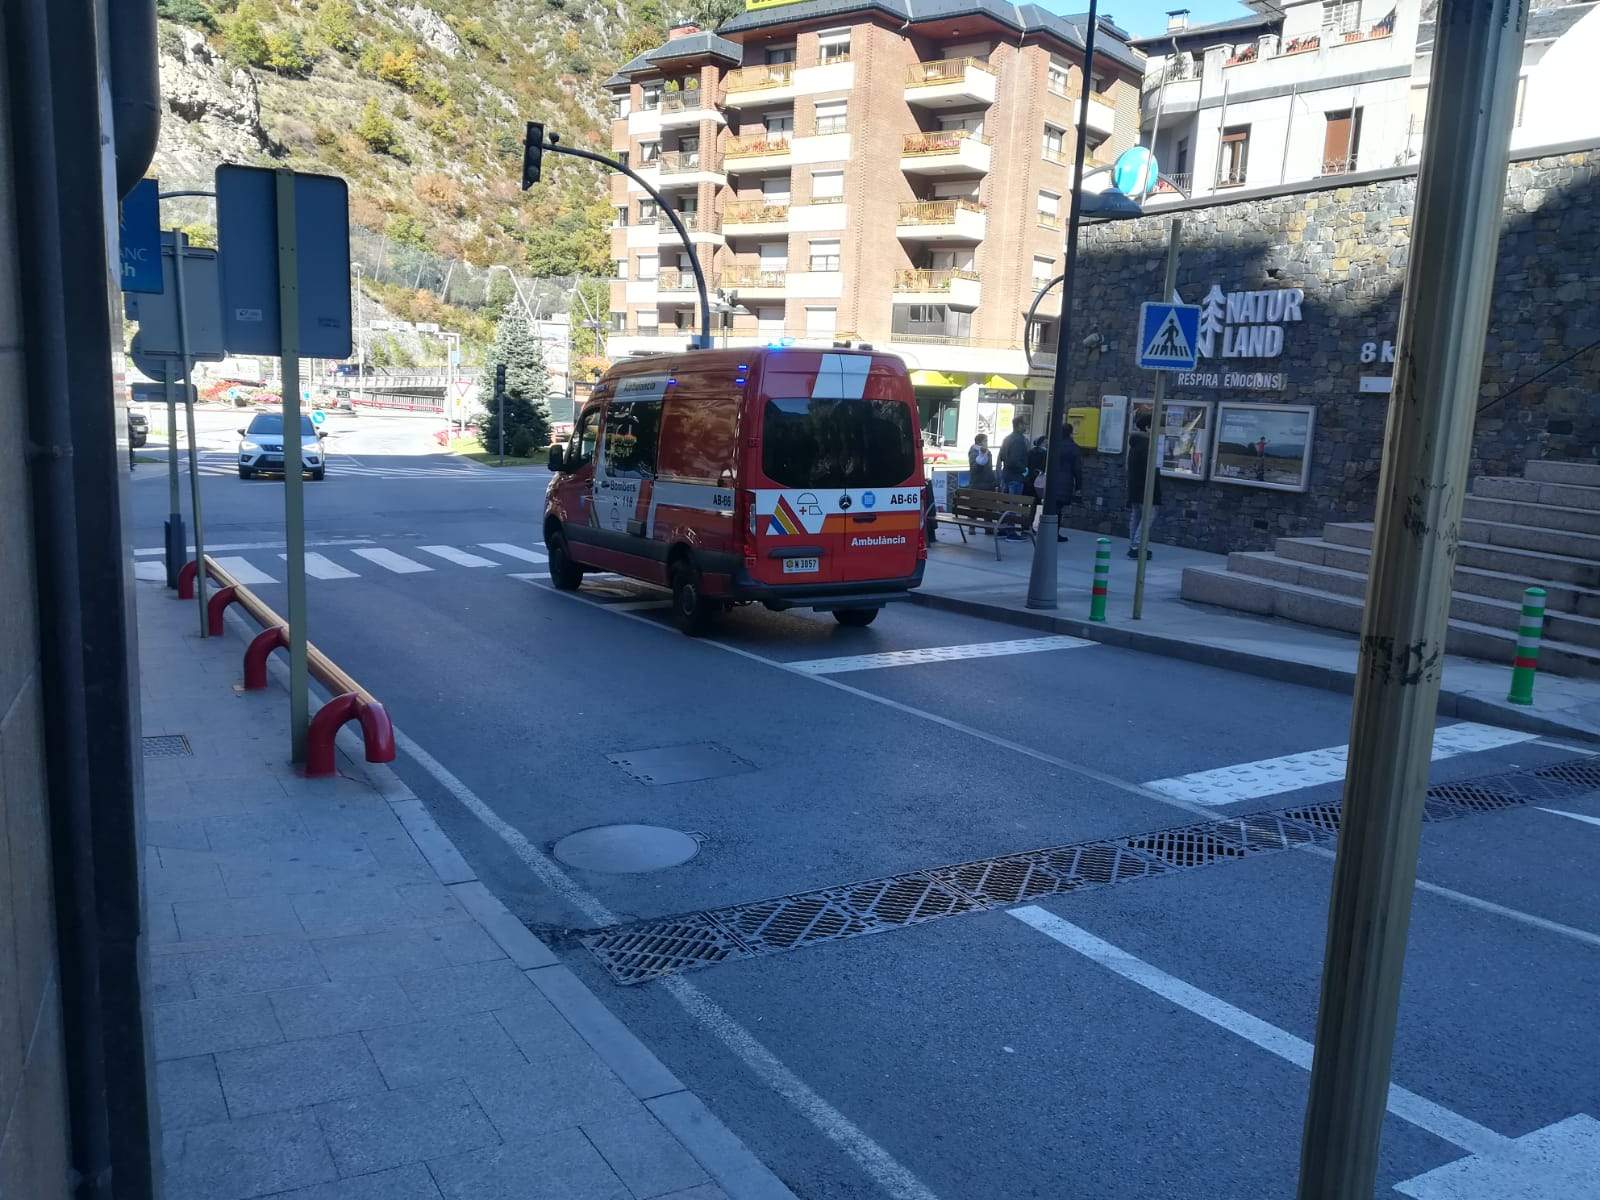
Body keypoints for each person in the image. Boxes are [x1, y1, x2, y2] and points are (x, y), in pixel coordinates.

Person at [1126, 411, 1162, 559]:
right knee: (1147, 517)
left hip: (1135, 488)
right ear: (1148, 428)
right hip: (1146, 489)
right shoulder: (1148, 446)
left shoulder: (1135, 445)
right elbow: (1151, 471)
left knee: (1136, 517)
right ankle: (1138, 545)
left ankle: (1133, 545)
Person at [1051, 426, 1083, 543]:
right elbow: (1077, 469)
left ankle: (1050, 531)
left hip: (1052, 481)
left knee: (1052, 507)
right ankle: (1054, 533)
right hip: (1065, 481)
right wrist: (1079, 486)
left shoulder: (1054, 445)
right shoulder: (1073, 448)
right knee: (1058, 509)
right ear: (1070, 433)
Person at [998, 417, 1030, 496]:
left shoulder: (1007, 438)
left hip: (1005, 476)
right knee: (1014, 506)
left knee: (1004, 504)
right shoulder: (1019, 440)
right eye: (1025, 424)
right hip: (1015, 477)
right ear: (1019, 425)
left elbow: (1001, 456)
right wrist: (1024, 470)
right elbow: (1014, 460)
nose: (1026, 426)